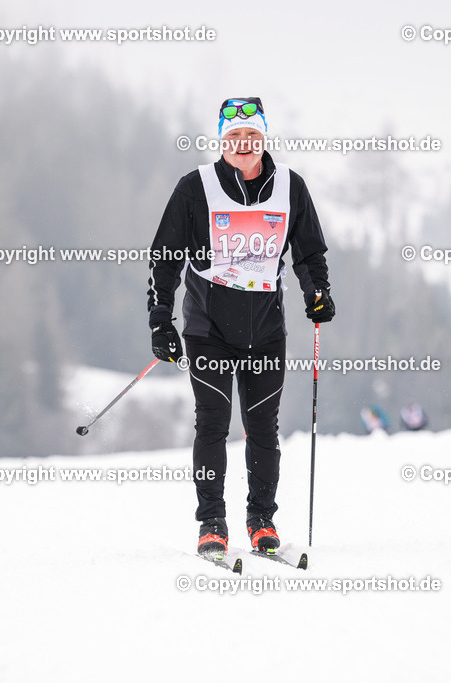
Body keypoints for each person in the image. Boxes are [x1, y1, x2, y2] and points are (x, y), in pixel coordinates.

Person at [146, 97, 334, 558]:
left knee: (263, 427)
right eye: (234, 138)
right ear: (222, 142)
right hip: (207, 327)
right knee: (212, 422)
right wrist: (160, 320)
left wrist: (318, 292)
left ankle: (261, 521)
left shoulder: (290, 187)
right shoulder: (195, 188)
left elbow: (308, 253)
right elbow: (164, 259)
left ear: (264, 139)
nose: (244, 145)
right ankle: (212, 523)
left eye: (252, 137)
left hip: (266, 329)